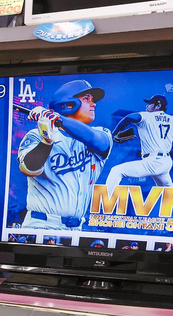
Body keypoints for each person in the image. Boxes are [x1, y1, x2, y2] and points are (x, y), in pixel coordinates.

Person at [19, 79, 113, 231]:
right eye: (87, 99)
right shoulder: (36, 135)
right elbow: (28, 167)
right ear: (69, 104)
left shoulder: (100, 133)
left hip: (76, 229)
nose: (93, 104)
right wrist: (46, 141)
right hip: (41, 225)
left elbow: (98, 142)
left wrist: (57, 119)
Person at [104, 95, 173, 199]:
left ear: (158, 105)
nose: (146, 106)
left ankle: (105, 200)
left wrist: (113, 135)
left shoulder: (146, 116)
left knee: (117, 171)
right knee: (167, 186)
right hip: (165, 161)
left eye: (149, 104)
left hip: (153, 161)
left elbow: (129, 117)